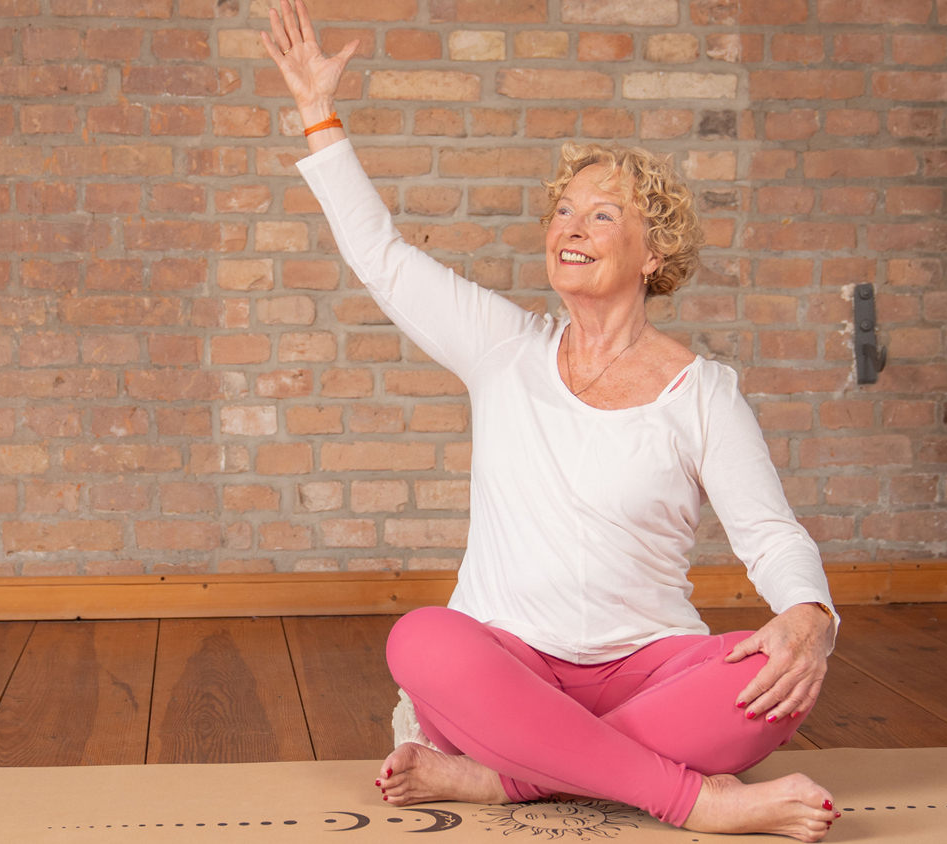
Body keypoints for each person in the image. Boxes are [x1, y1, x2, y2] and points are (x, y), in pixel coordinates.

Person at [259, 2, 841, 841]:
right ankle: (693, 800)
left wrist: (811, 620)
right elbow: (383, 258)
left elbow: (772, 536)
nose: (571, 227)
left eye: (602, 215)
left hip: (648, 669)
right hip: (510, 665)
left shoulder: (704, 392)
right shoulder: (503, 348)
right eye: (563, 211)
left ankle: (506, 777)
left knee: (767, 677)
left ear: (653, 254)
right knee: (423, 641)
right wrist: (319, 113)